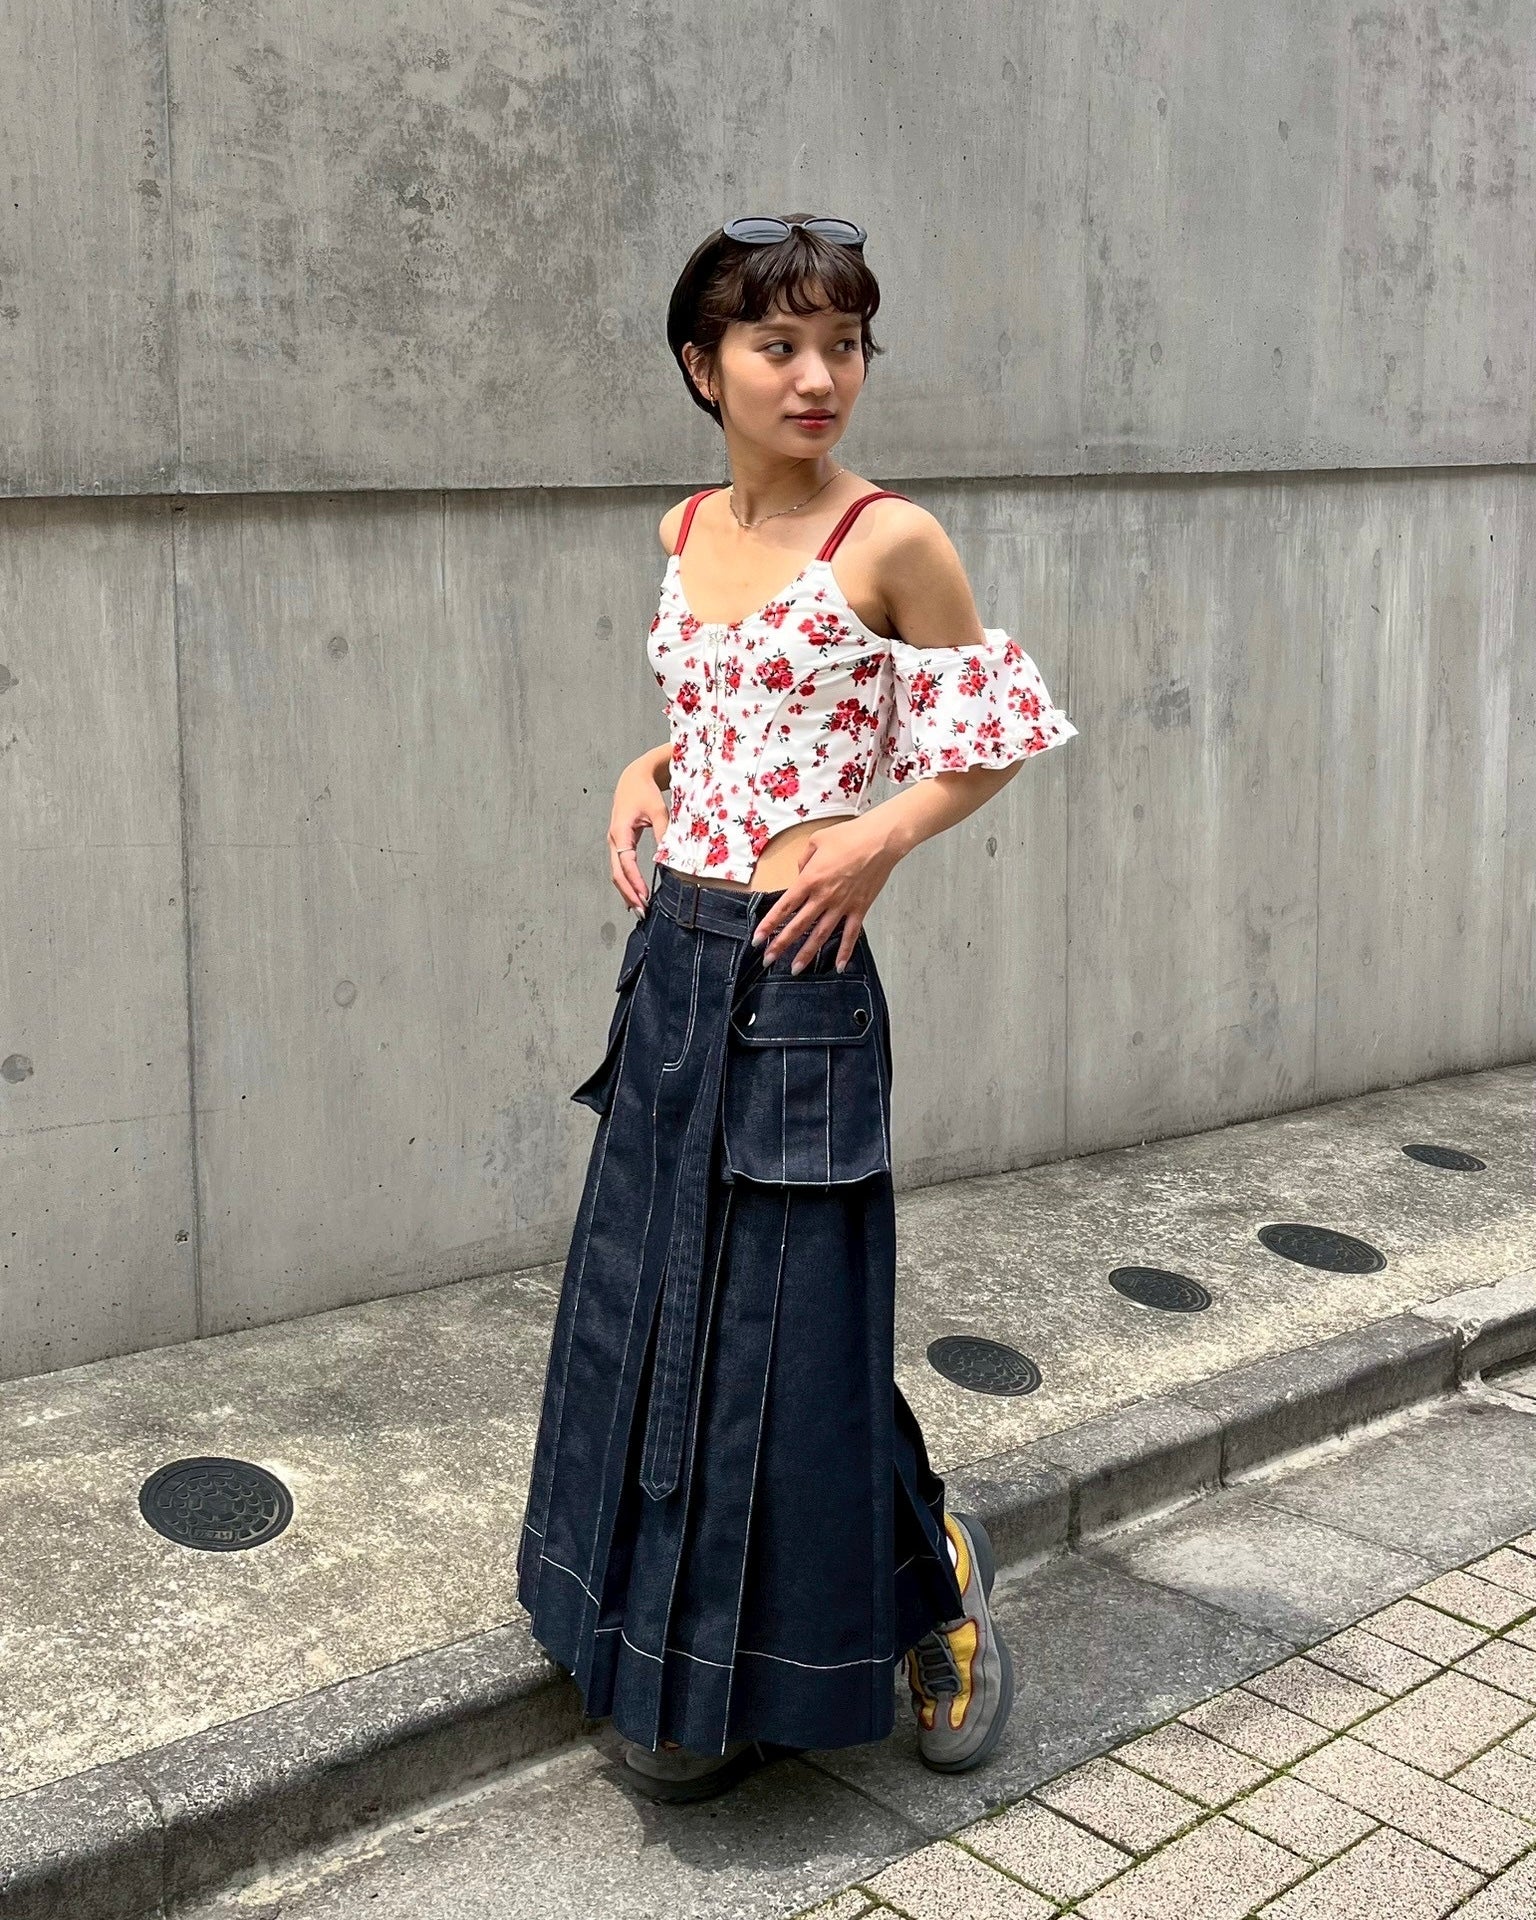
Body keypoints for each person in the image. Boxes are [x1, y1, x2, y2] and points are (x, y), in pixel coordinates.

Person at [516, 213, 1079, 1805]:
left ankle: (935, 1596)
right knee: (658, 1311)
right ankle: (673, 1668)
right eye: (781, 346)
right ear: (706, 368)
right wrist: (647, 770)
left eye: (844, 344)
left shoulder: (891, 540)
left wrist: (880, 841)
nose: (820, 376)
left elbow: (987, 735)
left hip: (805, 978)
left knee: (792, 1335)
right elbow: (720, 718)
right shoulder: (685, 522)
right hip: (674, 967)